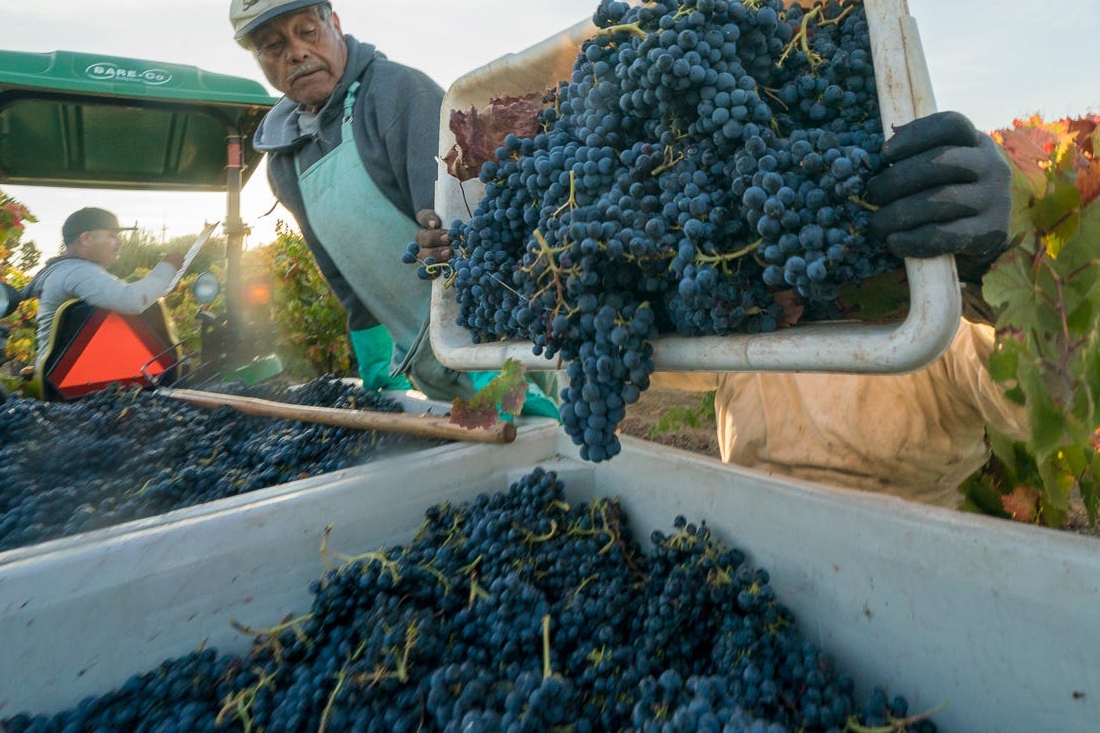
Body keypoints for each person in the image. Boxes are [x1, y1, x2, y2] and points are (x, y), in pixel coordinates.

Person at [417, 109, 1027, 507]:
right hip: (749, 526)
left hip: (915, 551)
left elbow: (1035, 408)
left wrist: (999, 267)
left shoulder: (934, 308)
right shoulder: (738, 290)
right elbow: (633, 345)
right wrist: (478, 259)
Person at [230, 0, 558, 415]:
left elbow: (465, 236)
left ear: (336, 25)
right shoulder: (283, 160)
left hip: (499, 348)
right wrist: (374, 358)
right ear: (260, 61)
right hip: (427, 364)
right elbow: (339, 269)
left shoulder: (397, 94)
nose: (297, 52)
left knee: (544, 450)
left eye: (307, 31)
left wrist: (490, 362)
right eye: (273, 46)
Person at [26, 207, 186, 374]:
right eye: (112, 235)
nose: (119, 242)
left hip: (68, 376)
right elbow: (132, 300)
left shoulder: (66, 270)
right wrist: (167, 269)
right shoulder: (78, 272)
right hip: (70, 381)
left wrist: (159, 286)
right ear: (86, 238)